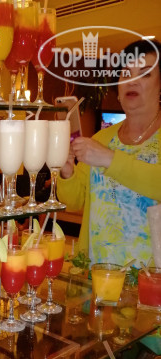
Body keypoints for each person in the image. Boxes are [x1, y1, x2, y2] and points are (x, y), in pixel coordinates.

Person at [57, 39, 161, 267]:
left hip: (150, 281)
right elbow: (73, 201)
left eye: (145, 74)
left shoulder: (102, 149)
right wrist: (67, 171)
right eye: (126, 73)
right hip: (95, 275)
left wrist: (109, 159)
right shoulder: (102, 139)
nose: (132, 81)